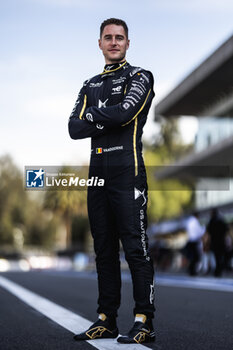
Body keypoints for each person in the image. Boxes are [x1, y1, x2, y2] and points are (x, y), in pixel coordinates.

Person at [68, 18, 155, 344]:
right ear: (100, 43)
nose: (114, 42)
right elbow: (74, 128)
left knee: (135, 248)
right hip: (97, 177)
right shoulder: (89, 85)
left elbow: (123, 115)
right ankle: (106, 319)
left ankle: (144, 320)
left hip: (127, 172)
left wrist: (93, 117)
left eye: (120, 37)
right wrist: (102, 117)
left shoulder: (140, 76)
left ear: (128, 43)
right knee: (103, 250)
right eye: (109, 37)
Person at [207, 208, 228, 277]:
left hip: (215, 242)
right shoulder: (221, 220)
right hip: (221, 241)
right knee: (220, 257)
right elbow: (226, 229)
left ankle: (217, 271)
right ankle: (219, 270)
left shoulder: (212, 221)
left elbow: (208, 230)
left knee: (217, 257)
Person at [185, 212, 205, 276]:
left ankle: (191, 270)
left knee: (192, 257)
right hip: (195, 241)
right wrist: (203, 229)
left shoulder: (189, 221)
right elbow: (199, 232)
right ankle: (192, 271)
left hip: (190, 241)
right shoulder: (195, 222)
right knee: (196, 257)